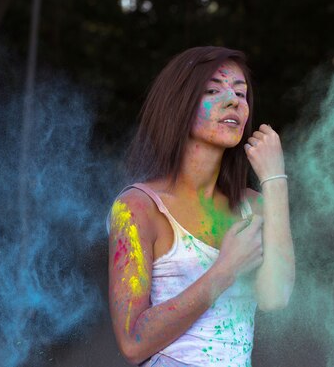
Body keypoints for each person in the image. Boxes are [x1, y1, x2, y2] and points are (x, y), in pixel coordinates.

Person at [107, 46, 295, 367]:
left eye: (241, 92)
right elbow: (132, 344)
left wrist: (275, 180)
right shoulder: (137, 208)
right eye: (212, 90)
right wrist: (226, 270)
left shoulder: (253, 206)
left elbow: (275, 298)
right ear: (178, 104)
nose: (234, 100)